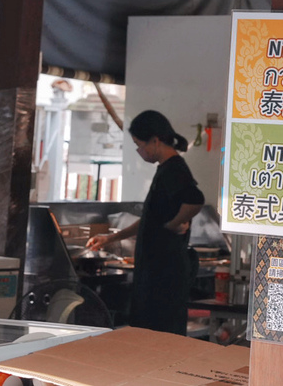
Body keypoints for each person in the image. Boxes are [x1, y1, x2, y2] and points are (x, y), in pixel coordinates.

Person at [86, 110, 204, 335]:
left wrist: (174, 223)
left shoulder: (174, 168)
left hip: (164, 277)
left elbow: (195, 200)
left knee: (159, 338)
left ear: (156, 141)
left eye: (139, 145)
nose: (139, 152)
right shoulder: (165, 170)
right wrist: (111, 238)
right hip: (155, 273)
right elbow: (150, 219)